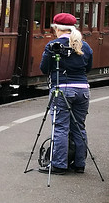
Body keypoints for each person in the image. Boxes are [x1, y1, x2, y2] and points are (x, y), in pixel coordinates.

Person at [39, 12, 94, 174]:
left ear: (57, 28)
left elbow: (44, 68)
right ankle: (79, 164)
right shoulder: (85, 46)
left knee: (60, 127)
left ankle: (58, 164)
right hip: (83, 90)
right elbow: (88, 68)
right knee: (79, 127)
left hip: (61, 90)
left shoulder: (53, 45)